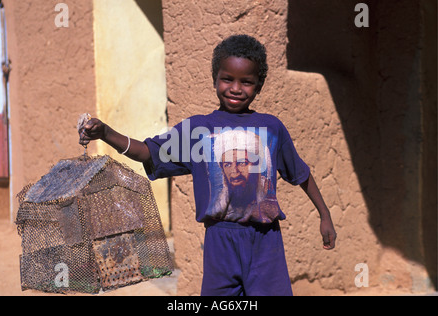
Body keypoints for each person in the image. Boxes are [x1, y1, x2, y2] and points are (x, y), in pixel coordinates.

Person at [79, 34, 337, 296]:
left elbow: (300, 173)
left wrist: (324, 215)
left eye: (246, 82)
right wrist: (106, 132)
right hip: (220, 243)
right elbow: (147, 151)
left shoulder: (271, 129)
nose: (236, 88)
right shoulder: (197, 131)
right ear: (215, 78)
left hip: (266, 242)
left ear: (259, 85)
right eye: (227, 79)